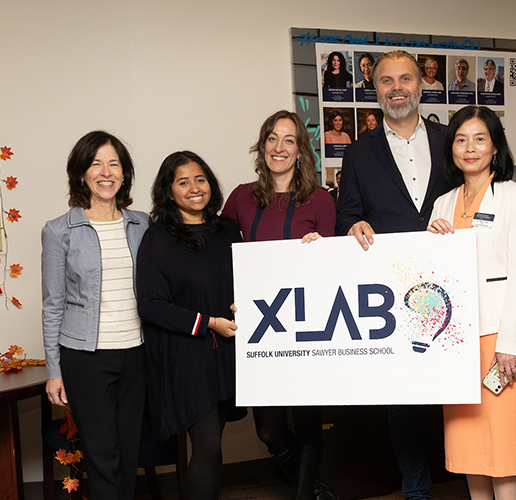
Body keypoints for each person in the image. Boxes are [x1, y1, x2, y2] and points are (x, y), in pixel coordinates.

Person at [336, 49, 451, 500]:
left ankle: (469, 473)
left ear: (421, 85)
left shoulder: (450, 140)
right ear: (376, 89)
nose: (397, 88)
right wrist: (352, 226)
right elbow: (347, 215)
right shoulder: (358, 153)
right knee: (402, 397)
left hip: (452, 279)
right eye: (387, 81)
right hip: (393, 287)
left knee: (456, 386)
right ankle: (416, 488)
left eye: (405, 79)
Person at [222, 110, 337, 500]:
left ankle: (304, 495)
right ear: (262, 146)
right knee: (268, 430)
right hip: (261, 327)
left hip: (307, 324)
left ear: (301, 150)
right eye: (272, 138)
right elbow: (221, 252)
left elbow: (336, 268)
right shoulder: (241, 197)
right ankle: (316, 489)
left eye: (289, 140)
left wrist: (321, 249)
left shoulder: (321, 200)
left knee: (307, 423)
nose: (279, 147)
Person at [427, 105, 516, 500]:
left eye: (480, 139)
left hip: (497, 336)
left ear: (495, 147)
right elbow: (432, 276)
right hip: (454, 338)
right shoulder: (442, 203)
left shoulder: (515, 196)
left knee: (502, 439)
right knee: (467, 440)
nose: (469, 148)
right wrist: (431, 240)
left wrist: (510, 344)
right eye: (460, 139)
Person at [41, 131, 148, 500]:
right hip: (85, 359)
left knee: (129, 455)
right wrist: (54, 370)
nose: (106, 172)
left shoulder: (143, 224)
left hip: (136, 354)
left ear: (124, 173)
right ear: (81, 174)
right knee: (102, 458)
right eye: (96, 164)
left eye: (114, 164)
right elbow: (53, 304)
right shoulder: (59, 231)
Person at [136, 151, 239, 500]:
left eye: (200, 179)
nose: (195, 188)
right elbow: (151, 306)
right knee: (207, 445)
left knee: (214, 443)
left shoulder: (227, 230)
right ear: (168, 191)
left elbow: (245, 279)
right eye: (183, 182)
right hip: (185, 357)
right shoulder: (158, 238)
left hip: (225, 352)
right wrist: (209, 322)